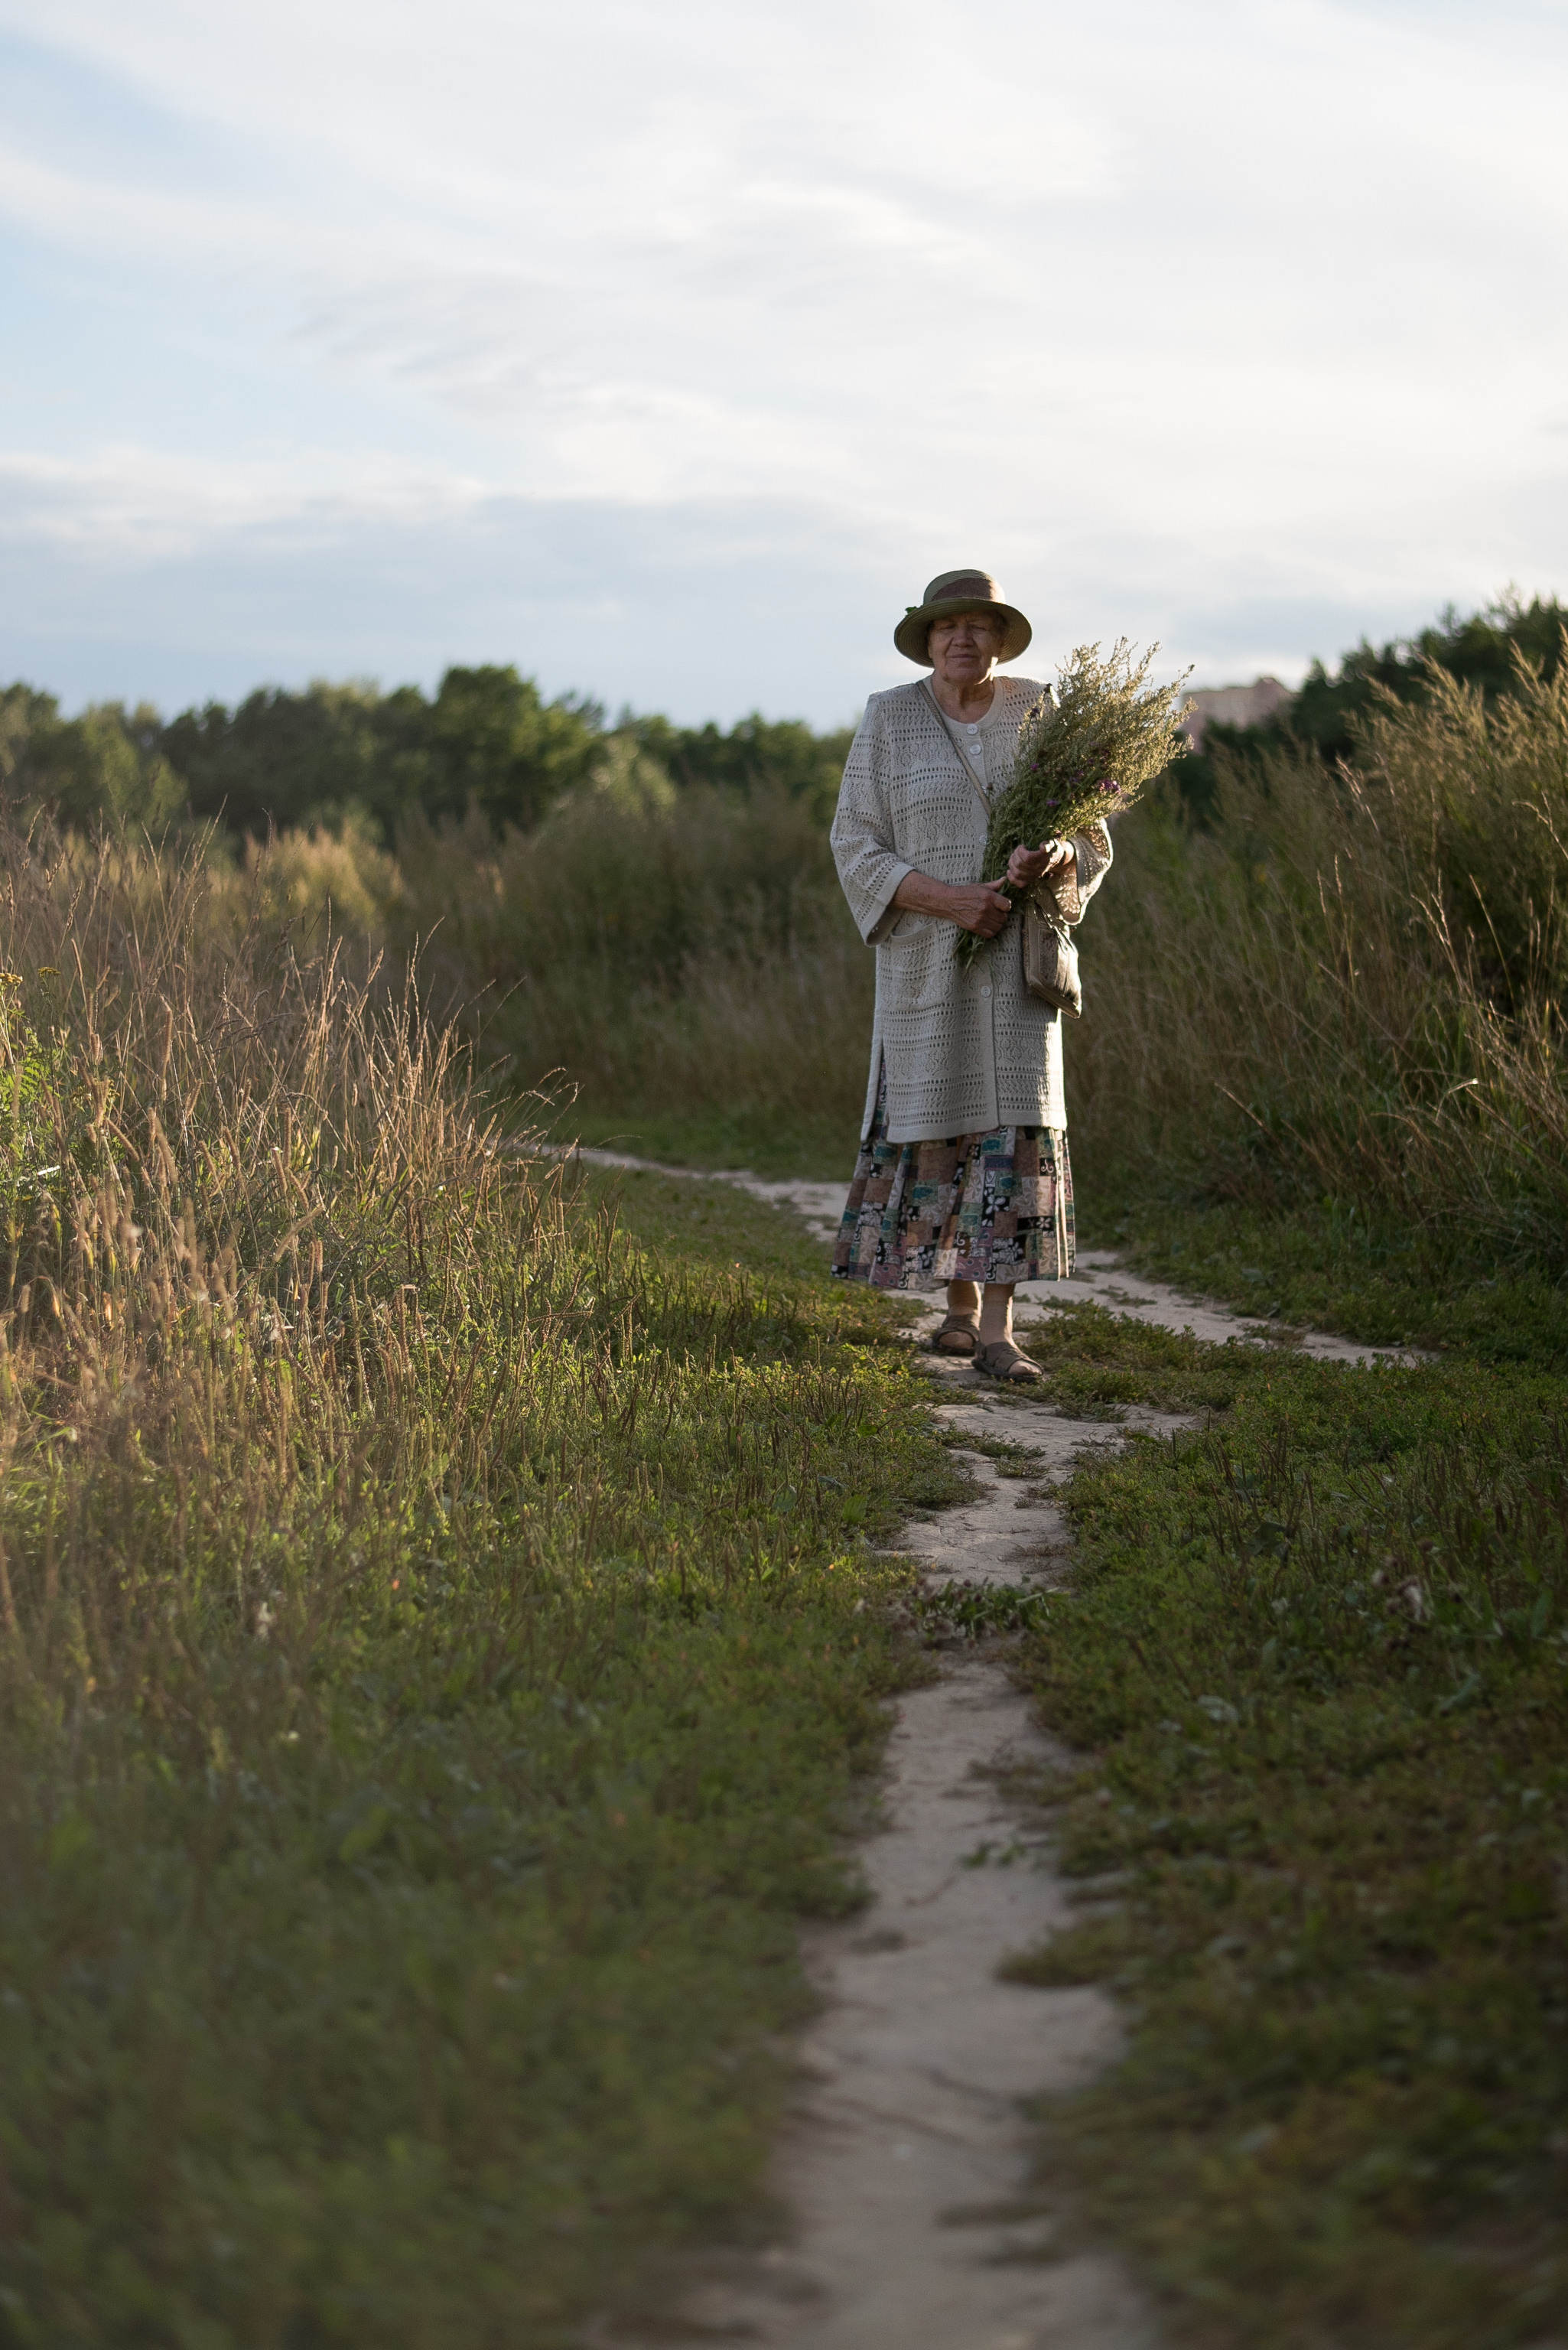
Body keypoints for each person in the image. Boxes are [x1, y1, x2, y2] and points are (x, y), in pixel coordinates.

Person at [828, 568, 1113, 1382]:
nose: (962, 638)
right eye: (947, 625)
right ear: (926, 639)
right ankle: (953, 1312)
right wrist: (952, 902)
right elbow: (854, 843)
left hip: (1018, 966)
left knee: (1010, 1135)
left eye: (978, 626)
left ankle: (997, 1333)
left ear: (998, 638)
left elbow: (1090, 837)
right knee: (944, 1125)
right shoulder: (889, 717)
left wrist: (1057, 858)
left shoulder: (1037, 710)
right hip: (926, 962)